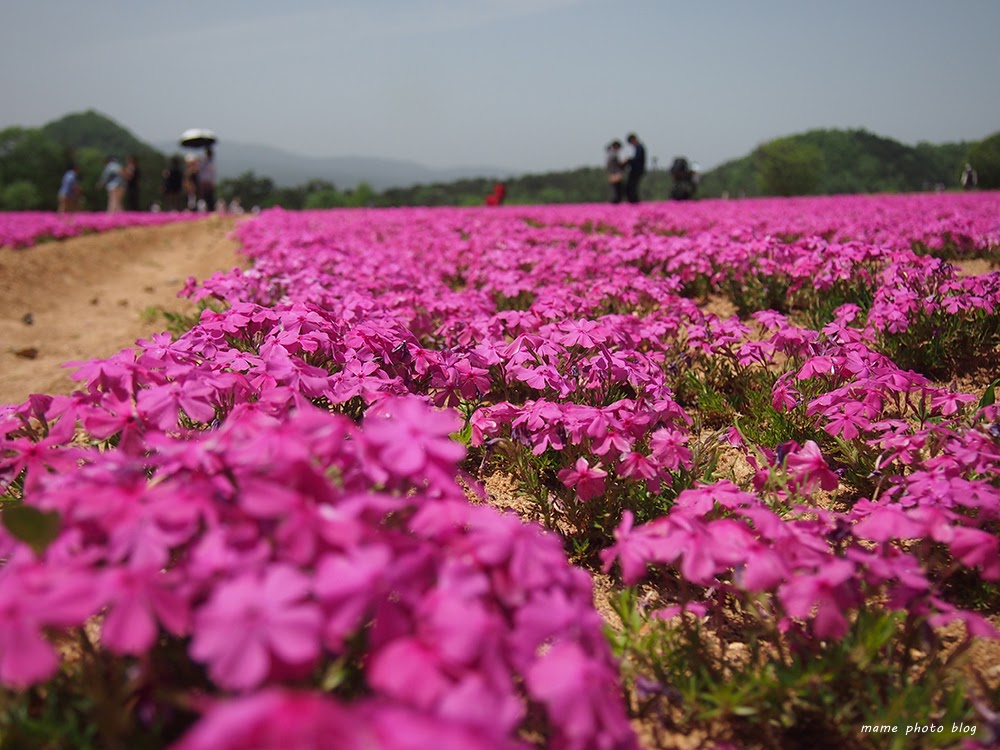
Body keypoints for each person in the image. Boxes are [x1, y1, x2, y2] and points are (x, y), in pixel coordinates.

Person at [625, 133, 646, 204]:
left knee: (632, 186)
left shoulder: (639, 147)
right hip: (635, 170)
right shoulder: (638, 147)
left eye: (631, 142)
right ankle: (633, 201)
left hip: (637, 170)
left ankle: (634, 201)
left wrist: (629, 160)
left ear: (634, 139)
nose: (631, 144)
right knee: (631, 186)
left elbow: (637, 159)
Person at [199, 146, 217, 211]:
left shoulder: (210, 162)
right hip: (205, 181)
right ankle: (205, 208)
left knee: (210, 196)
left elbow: (212, 173)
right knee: (206, 196)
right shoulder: (203, 161)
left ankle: (210, 208)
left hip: (208, 181)